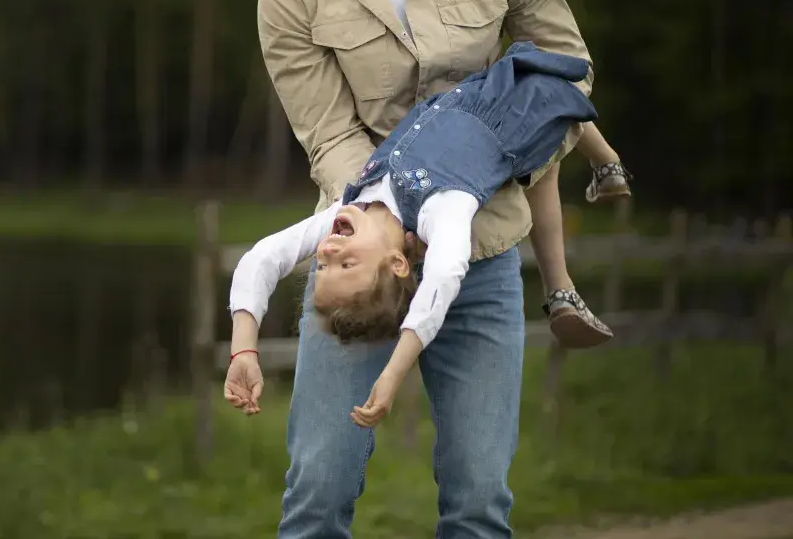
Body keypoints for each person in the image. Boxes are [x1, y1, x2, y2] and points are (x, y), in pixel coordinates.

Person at [250, 0, 617, 538]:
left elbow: (569, 69)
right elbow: (328, 138)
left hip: (481, 259)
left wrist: (501, 155)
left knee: (480, 501)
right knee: (317, 493)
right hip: (353, 263)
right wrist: (390, 221)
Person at [224, 41, 611, 433]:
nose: (328, 249)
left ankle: (606, 164)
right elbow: (442, 279)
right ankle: (607, 160)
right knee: (561, 100)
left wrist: (243, 348)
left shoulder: (349, 210)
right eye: (347, 264)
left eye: (323, 265)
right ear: (396, 263)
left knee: (545, 82)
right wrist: (393, 373)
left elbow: (262, 259)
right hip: (510, 117)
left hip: (466, 92)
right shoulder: (441, 210)